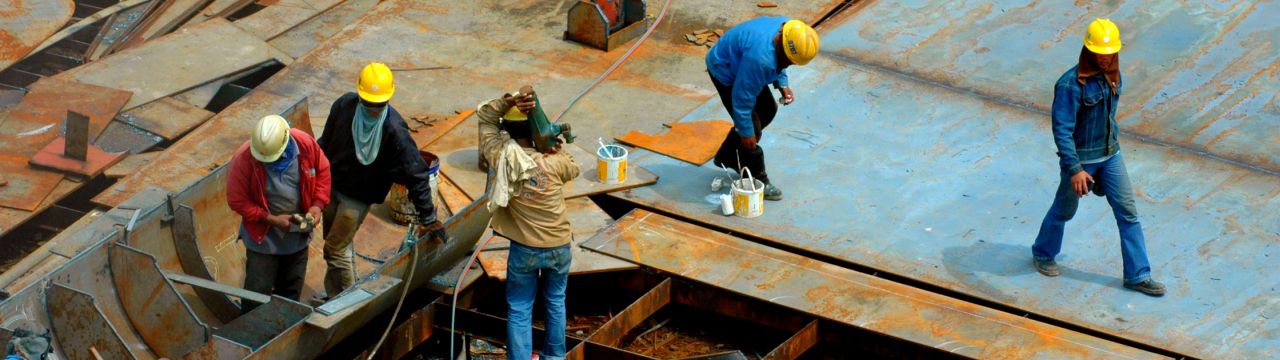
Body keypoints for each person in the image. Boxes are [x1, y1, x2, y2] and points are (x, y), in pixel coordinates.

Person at [1032, 19, 1165, 296]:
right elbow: (1062, 131)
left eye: (1110, 53)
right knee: (1064, 210)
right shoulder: (1070, 85)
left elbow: (1109, 119)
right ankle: (1043, 253)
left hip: (1111, 156)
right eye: (1100, 53)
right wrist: (1075, 170)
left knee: (1129, 214)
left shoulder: (1114, 76)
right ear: (1089, 50)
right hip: (1081, 161)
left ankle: (1138, 275)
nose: (1106, 59)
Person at [316, 62, 446, 298]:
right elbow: (324, 142)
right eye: (369, 104)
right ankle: (338, 293)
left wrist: (428, 216)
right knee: (338, 245)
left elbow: (416, 174)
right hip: (331, 185)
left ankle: (346, 305)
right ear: (359, 95)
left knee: (335, 249)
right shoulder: (344, 106)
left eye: (379, 105)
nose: (374, 110)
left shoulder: (395, 130)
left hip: (357, 197)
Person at [476, 85, 579, 360]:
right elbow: (574, 167)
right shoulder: (555, 163)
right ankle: (555, 357)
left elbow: (485, 118)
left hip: (524, 249)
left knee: (520, 307)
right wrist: (555, 148)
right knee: (556, 301)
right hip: (559, 246)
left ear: (507, 129)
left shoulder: (500, 157)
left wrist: (507, 101)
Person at [706, 16, 819, 201]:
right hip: (725, 69)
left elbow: (781, 60)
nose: (788, 65)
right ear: (782, 45)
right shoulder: (760, 59)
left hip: (743, 63)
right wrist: (746, 132)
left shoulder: (790, 31)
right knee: (751, 128)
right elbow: (742, 98)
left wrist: (782, 82)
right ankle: (756, 179)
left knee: (767, 110)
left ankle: (727, 156)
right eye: (788, 61)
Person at [227, 114, 331, 312]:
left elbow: (323, 170)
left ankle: (284, 324)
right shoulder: (244, 158)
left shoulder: (305, 144)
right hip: (263, 237)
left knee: (291, 286)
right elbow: (237, 200)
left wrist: (317, 205)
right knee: (258, 290)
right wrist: (270, 219)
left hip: (297, 233)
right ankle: (252, 327)